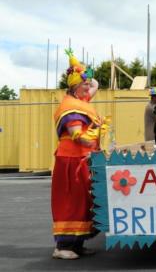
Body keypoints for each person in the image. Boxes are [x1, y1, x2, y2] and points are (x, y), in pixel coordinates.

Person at [52, 49, 101, 259]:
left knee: (85, 200)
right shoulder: (71, 106)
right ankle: (62, 246)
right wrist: (88, 138)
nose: (89, 88)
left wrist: (83, 71)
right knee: (72, 200)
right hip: (71, 160)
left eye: (88, 85)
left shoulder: (82, 100)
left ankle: (77, 244)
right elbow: (75, 133)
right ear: (74, 86)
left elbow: (96, 84)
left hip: (83, 158)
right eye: (85, 85)